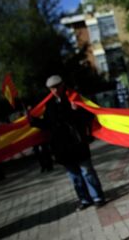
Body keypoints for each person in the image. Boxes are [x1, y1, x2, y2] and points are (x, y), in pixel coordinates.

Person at [29, 75, 106, 211]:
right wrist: (34, 121)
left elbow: (89, 116)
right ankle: (84, 199)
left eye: (57, 87)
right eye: (52, 88)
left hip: (78, 143)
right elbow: (48, 124)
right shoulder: (49, 105)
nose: (55, 90)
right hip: (61, 147)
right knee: (74, 176)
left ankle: (97, 196)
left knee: (87, 171)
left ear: (63, 85)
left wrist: (77, 111)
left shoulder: (74, 98)